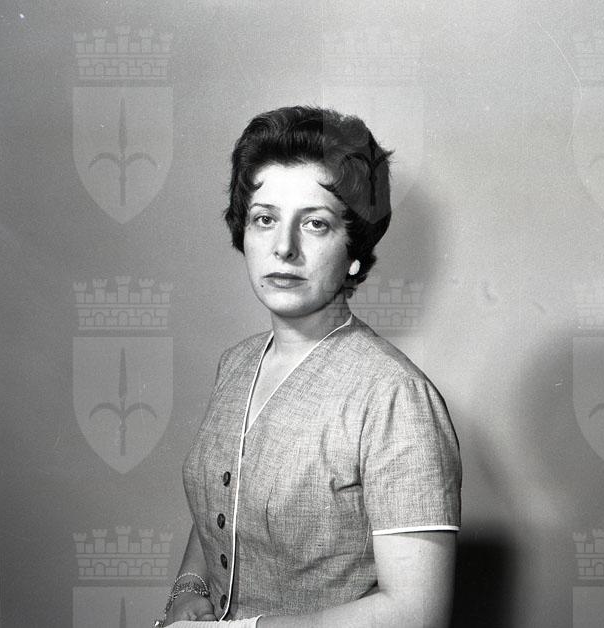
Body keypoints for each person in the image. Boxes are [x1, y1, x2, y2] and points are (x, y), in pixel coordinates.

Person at [157, 106, 461, 628]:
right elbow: (224, 504)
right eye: (265, 219)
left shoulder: (395, 397)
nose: (284, 248)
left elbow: (417, 614)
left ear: (355, 249)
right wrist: (189, 589)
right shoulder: (236, 364)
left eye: (315, 223)